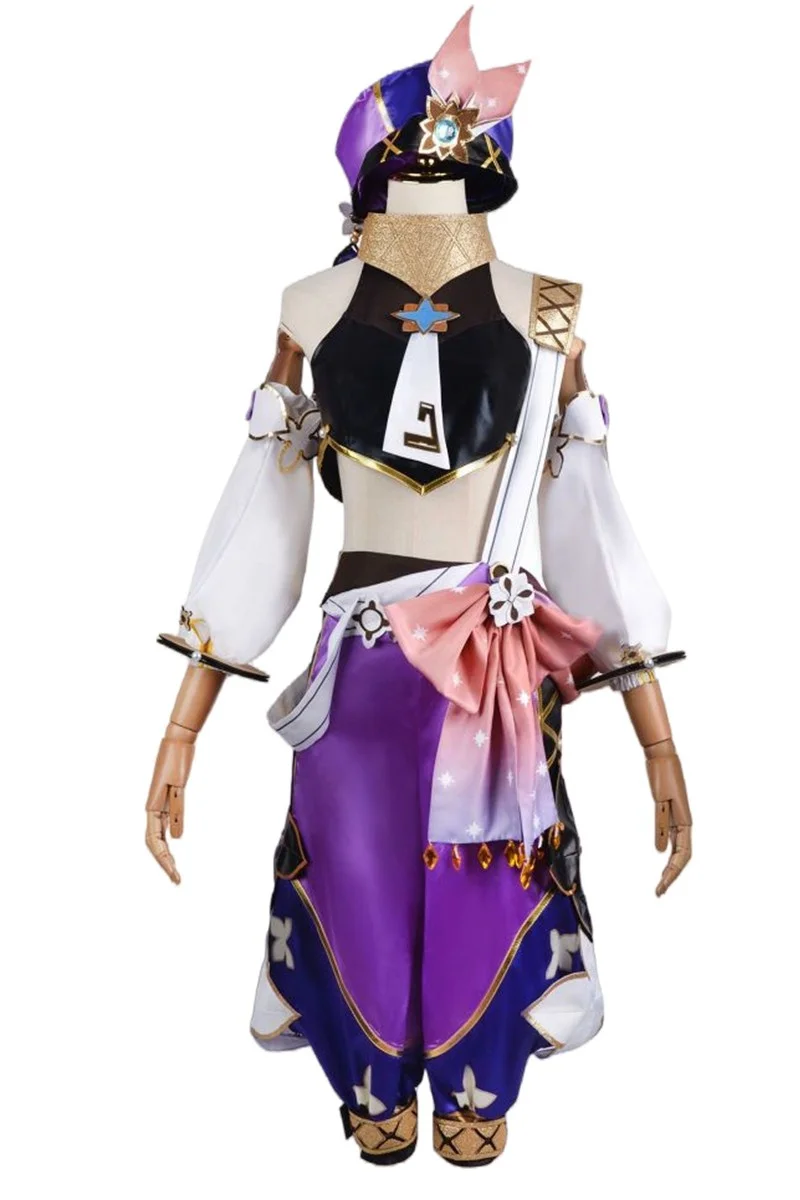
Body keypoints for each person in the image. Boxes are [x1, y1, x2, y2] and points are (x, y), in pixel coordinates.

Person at [145, 7, 692, 1167]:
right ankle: (374, 1078)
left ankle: (471, 1081)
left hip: (486, 673)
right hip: (360, 670)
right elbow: (266, 511)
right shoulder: (308, 305)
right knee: (352, 870)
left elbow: (586, 520)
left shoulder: (551, 309)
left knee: (485, 877)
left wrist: (655, 732)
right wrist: (185, 712)